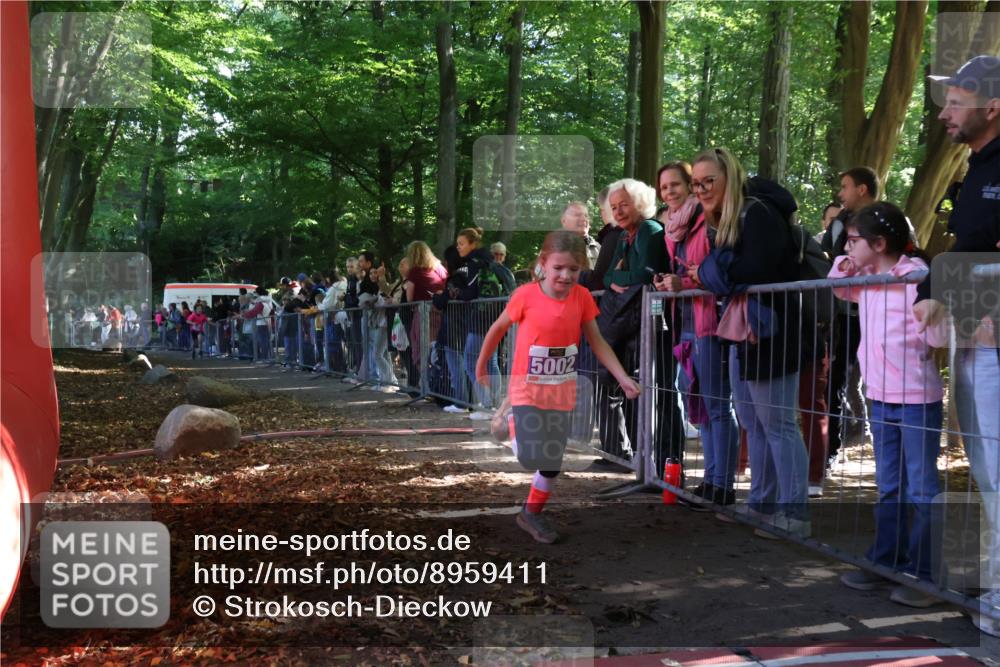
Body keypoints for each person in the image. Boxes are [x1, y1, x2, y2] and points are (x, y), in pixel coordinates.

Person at [475, 230, 641, 543]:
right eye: (558, 268)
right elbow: (497, 329)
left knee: (552, 463)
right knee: (532, 457)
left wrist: (622, 377)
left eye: (574, 270)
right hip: (526, 390)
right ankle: (510, 424)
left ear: (582, 269)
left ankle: (531, 513)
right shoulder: (526, 295)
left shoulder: (582, 298)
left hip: (561, 392)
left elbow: (597, 340)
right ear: (543, 264)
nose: (566, 276)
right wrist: (482, 365)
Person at [918, 54, 1000, 636]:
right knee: (988, 469)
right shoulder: (976, 169)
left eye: (955, 101)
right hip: (976, 345)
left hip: (992, 343)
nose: (944, 112)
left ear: (992, 105)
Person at [829, 202, 947, 608]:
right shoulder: (869, 277)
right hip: (880, 398)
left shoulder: (917, 277)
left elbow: (937, 337)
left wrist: (936, 321)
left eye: (854, 240)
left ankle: (927, 574)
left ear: (879, 243)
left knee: (921, 488)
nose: (847, 246)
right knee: (890, 486)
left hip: (916, 400)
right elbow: (836, 285)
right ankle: (886, 562)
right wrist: (845, 263)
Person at [693, 147, 810, 539]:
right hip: (745, 331)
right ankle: (761, 503)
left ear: (730, 177)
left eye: (709, 180)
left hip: (772, 330)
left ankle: (795, 515)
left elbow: (752, 269)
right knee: (753, 421)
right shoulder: (729, 219)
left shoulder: (757, 212)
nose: (702, 189)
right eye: (697, 183)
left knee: (778, 422)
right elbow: (727, 272)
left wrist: (715, 268)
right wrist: (719, 270)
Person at [653, 161, 739, 509]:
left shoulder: (708, 223)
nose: (669, 192)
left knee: (718, 406)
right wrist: (669, 283)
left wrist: (684, 283)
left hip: (710, 325)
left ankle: (724, 485)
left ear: (690, 187)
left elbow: (715, 276)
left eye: (675, 185)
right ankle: (710, 480)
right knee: (700, 407)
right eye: (664, 188)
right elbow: (684, 273)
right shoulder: (674, 229)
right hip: (685, 325)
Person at [598, 179, 682, 470]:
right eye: (614, 207)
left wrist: (621, 277)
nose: (619, 212)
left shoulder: (648, 230)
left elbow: (645, 276)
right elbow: (607, 278)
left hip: (654, 321)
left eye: (624, 205)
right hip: (632, 321)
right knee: (631, 384)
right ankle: (637, 458)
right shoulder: (624, 237)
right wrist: (619, 276)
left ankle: (658, 464)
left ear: (640, 204)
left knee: (655, 389)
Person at [824, 166, 879, 462]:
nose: (840, 193)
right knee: (835, 381)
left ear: (862, 189)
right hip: (844, 315)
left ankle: (888, 453)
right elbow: (831, 260)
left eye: (844, 186)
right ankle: (831, 449)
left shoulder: (890, 219)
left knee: (880, 381)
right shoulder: (839, 222)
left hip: (880, 314)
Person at [404, 241, 448, 379]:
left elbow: (409, 297)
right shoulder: (438, 270)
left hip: (422, 313)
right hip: (440, 311)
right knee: (436, 347)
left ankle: (427, 384)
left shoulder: (414, 272)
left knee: (419, 349)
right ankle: (438, 382)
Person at [560, 201, 601, 270]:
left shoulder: (600, 248)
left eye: (586, 216)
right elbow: (538, 279)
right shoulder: (551, 248)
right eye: (577, 215)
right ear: (564, 221)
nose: (584, 219)